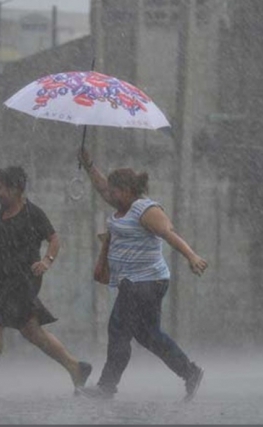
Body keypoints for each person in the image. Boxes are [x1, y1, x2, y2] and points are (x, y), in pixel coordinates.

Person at [76, 148, 208, 401]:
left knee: (118, 329)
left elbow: (169, 233)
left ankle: (106, 386)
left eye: (115, 191)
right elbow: (102, 187)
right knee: (149, 335)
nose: (110, 195)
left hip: (145, 282)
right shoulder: (123, 206)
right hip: (138, 282)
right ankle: (190, 372)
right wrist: (90, 165)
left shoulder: (145, 209)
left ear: (127, 190)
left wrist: (191, 256)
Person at [0, 165, 92, 397]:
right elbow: (4, 238)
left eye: (0, 188)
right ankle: (75, 367)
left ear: (15, 188)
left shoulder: (32, 213)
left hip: (24, 280)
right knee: (31, 331)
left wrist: (46, 261)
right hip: (9, 279)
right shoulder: (3, 210)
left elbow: (54, 239)